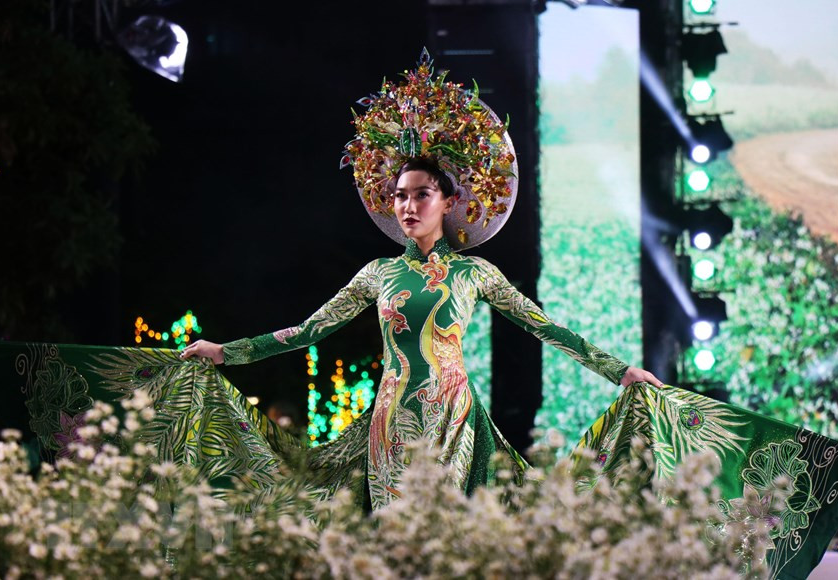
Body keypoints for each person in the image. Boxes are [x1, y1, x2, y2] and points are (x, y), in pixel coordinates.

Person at [180, 48, 662, 511]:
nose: (408, 206)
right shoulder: (378, 274)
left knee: (445, 534)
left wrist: (621, 372)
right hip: (388, 423)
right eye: (399, 196)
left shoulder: (476, 274)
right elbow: (310, 331)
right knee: (397, 539)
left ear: (449, 202)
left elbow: (546, 328)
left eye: (421, 195)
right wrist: (227, 352)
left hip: (454, 419)